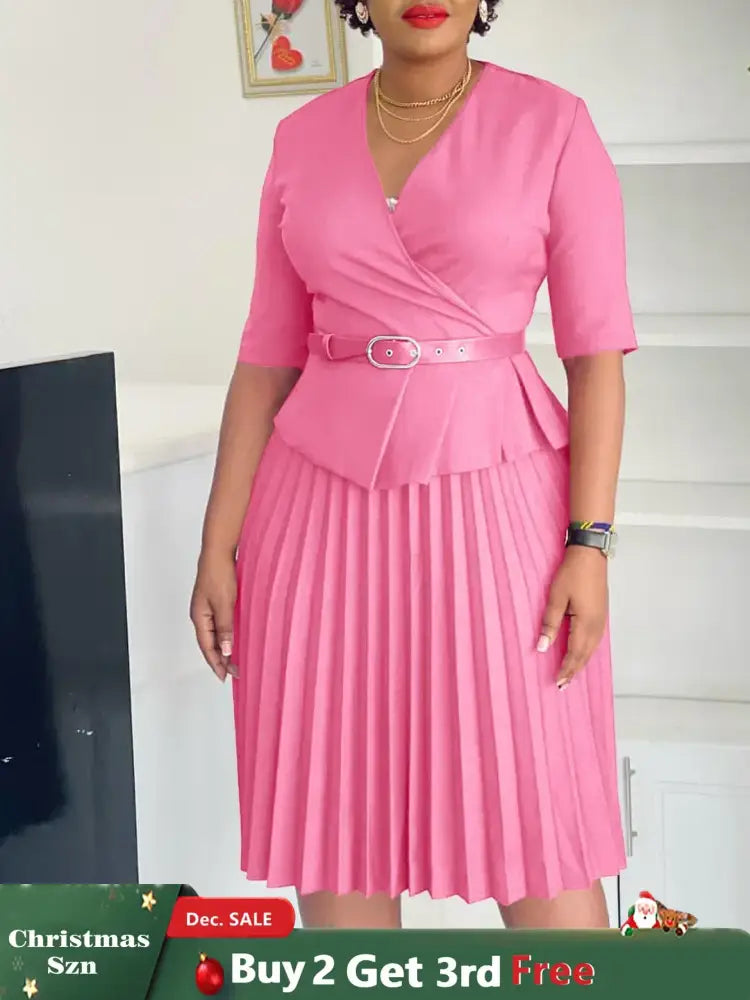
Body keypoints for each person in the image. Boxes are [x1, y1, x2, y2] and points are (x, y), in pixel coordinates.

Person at [190, 0, 638, 931]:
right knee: (333, 823)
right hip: (314, 517)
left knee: (534, 819)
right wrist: (218, 544)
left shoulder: (554, 124)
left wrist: (589, 541)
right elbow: (266, 356)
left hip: (497, 505)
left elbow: (596, 357)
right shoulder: (301, 137)